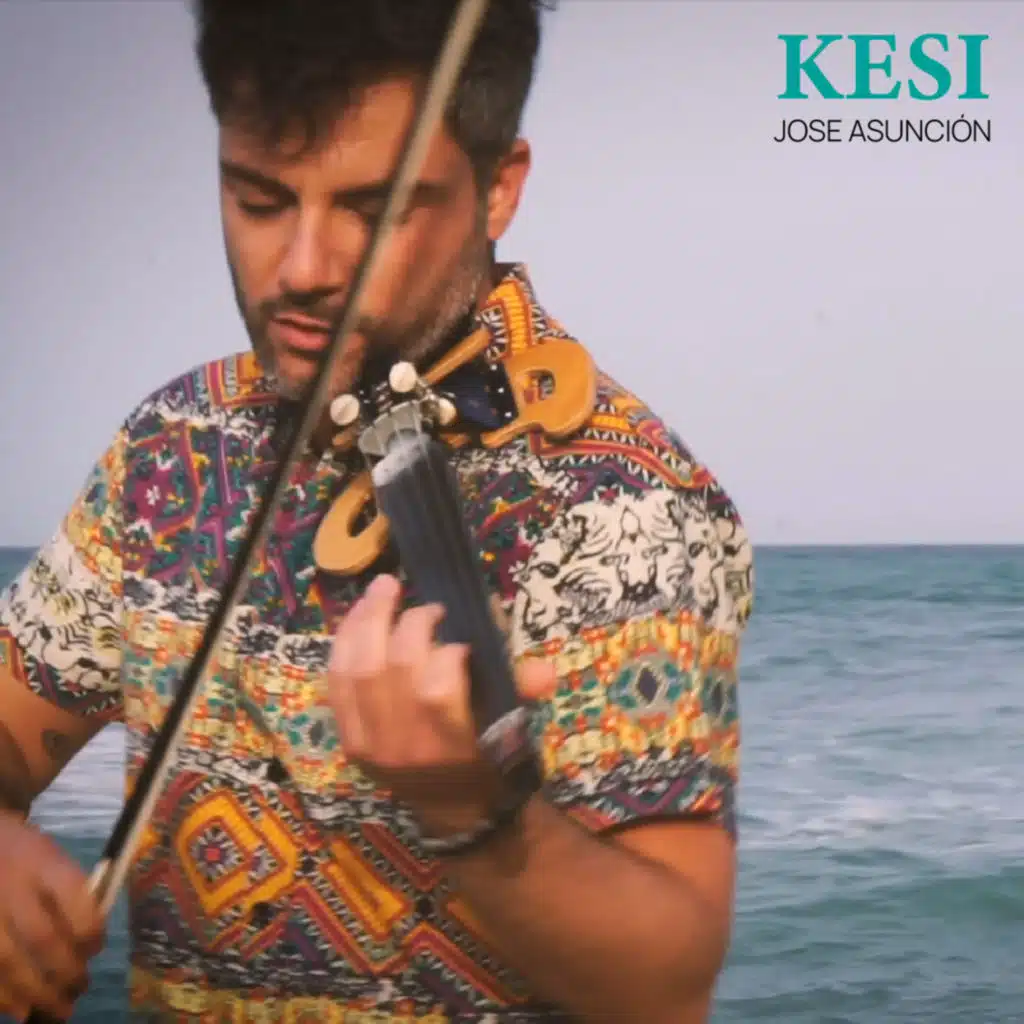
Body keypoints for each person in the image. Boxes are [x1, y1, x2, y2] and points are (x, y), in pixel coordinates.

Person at [0, 0, 755, 1021]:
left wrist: (473, 809)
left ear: (498, 187)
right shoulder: (174, 443)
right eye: (260, 200)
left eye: (372, 210)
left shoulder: (622, 500)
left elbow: (664, 988)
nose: (303, 270)